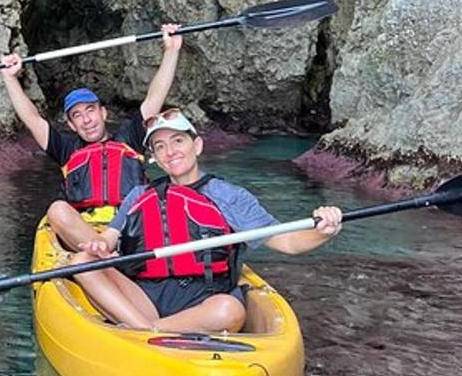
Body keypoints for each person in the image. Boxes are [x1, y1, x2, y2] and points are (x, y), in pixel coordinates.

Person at [70, 109, 343, 333]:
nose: (171, 152)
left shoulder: (228, 196)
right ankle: (147, 328)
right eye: (160, 146)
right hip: (145, 296)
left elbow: (287, 242)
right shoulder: (139, 195)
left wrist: (323, 231)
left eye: (178, 141)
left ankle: (143, 331)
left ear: (197, 145)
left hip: (204, 301)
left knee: (231, 310)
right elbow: (108, 238)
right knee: (81, 262)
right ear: (154, 158)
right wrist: (97, 245)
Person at [0, 24, 183, 251]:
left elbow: (155, 97)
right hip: (84, 232)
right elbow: (32, 118)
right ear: (71, 125)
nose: (86, 119)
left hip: (130, 225)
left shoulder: (130, 138)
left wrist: (171, 51)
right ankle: (108, 256)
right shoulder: (66, 149)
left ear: (103, 113)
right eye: (77, 115)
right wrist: (10, 78)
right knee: (57, 210)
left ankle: (108, 256)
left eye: (90, 110)